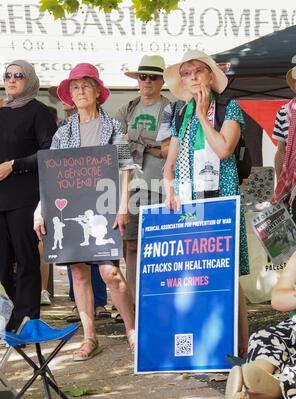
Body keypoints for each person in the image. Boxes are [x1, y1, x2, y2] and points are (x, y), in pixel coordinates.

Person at [34, 63, 135, 360]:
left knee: (111, 273)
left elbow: (126, 167)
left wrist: (123, 205)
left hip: (104, 208)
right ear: (70, 94)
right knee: (78, 274)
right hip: (71, 209)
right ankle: (90, 337)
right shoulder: (63, 131)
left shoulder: (113, 127)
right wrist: (41, 208)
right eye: (75, 87)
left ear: (97, 92)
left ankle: (131, 331)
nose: (80, 91)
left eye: (85, 86)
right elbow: (50, 175)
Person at [163, 50, 250, 358]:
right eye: (185, 73)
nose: (192, 77)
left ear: (211, 76)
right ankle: (205, 344)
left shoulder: (230, 106)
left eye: (197, 71)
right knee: (195, 269)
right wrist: (169, 188)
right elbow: (169, 164)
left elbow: (225, 149)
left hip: (221, 198)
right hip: (189, 202)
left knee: (226, 271)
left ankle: (241, 345)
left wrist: (203, 115)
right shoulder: (179, 112)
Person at [0, 60, 57, 328]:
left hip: (25, 197)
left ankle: (26, 321)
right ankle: (14, 317)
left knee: (25, 260)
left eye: (18, 75)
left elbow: (49, 154)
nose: (11, 80)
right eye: (7, 75)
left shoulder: (40, 112)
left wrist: (14, 165)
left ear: (30, 79)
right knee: (2, 266)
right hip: (0, 199)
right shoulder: (1, 112)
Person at [115, 55, 170, 305]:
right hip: (130, 187)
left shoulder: (171, 108)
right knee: (132, 248)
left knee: (161, 248)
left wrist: (137, 144)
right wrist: (152, 146)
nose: (146, 81)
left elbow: (170, 150)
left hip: (161, 186)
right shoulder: (127, 108)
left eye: (152, 77)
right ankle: (137, 304)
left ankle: (158, 299)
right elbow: (116, 147)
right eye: (142, 76)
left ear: (162, 80)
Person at [225, 246, 296, 399]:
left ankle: (262, 391)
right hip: (295, 326)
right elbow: (278, 298)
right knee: (263, 337)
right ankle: (252, 377)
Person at [272, 64, 296, 229]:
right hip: (295, 187)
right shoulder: (284, 111)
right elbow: (280, 150)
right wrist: (280, 186)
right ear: (295, 84)